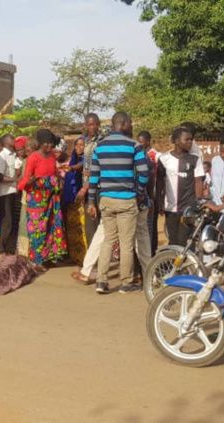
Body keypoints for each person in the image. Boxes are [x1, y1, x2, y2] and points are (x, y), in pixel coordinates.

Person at [88, 112, 150, 294]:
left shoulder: (99, 146)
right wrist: (139, 192)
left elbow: (93, 176)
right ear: (123, 124)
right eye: (130, 122)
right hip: (126, 200)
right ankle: (126, 283)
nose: (131, 125)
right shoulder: (134, 146)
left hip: (106, 199)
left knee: (108, 240)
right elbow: (144, 172)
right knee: (126, 243)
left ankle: (101, 281)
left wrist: (91, 200)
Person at [19, 129, 66, 272]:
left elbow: (54, 173)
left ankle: (47, 258)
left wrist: (58, 178)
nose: (49, 146)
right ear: (40, 143)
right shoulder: (33, 157)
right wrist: (30, 182)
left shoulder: (52, 156)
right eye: (46, 144)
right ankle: (36, 260)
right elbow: (25, 180)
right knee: (37, 230)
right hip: (36, 199)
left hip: (51, 198)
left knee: (51, 227)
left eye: (51, 144)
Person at [157, 127, 204, 246]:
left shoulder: (195, 159)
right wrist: (159, 201)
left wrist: (197, 203)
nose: (190, 142)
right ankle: (172, 264)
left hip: (187, 208)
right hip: (170, 208)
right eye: (186, 139)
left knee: (183, 241)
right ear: (176, 141)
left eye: (191, 140)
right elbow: (160, 182)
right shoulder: (164, 159)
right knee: (172, 240)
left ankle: (184, 264)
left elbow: (198, 181)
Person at [61, 137, 87, 264]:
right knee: (72, 228)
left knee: (82, 229)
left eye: (82, 145)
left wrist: (73, 168)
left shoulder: (86, 160)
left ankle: (84, 258)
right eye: (77, 145)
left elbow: (80, 166)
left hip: (82, 199)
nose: (79, 147)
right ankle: (74, 257)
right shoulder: (72, 159)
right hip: (71, 199)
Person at [78, 113, 103, 243]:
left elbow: (99, 167)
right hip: (87, 187)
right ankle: (93, 258)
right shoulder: (84, 141)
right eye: (89, 124)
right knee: (90, 223)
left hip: (98, 187)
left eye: (94, 124)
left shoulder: (101, 142)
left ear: (98, 125)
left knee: (99, 222)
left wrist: (85, 188)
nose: (92, 127)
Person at [0, 135, 19, 256]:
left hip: (12, 191)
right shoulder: (1, 157)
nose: (13, 141)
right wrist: (14, 179)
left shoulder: (13, 155)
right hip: (4, 193)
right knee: (6, 220)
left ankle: (9, 248)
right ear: (5, 143)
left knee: (11, 220)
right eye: (11, 140)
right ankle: (1, 249)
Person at [138, 131, 160, 257]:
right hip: (144, 193)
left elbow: (154, 176)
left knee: (151, 226)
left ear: (148, 141)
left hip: (152, 193)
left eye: (142, 142)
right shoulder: (140, 154)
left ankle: (152, 252)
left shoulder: (155, 155)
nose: (140, 144)